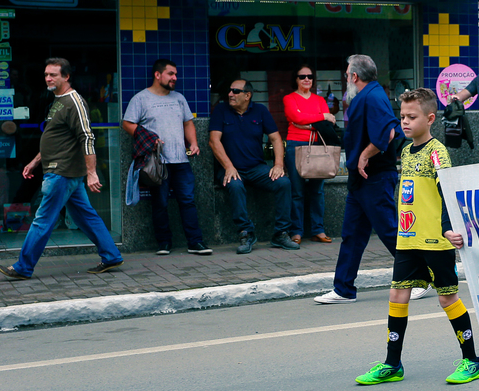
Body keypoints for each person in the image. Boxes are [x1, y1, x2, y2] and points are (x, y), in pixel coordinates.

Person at [355, 88, 479, 385]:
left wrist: (448, 227)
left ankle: (472, 361)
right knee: (397, 295)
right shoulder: (405, 150)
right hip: (408, 239)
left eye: (412, 117)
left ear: (430, 118)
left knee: (447, 297)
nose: (405, 122)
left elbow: (446, 189)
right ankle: (392, 364)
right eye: (402, 116)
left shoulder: (437, 151)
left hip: (435, 241)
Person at [0, 58, 124, 280]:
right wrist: (35, 161)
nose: (48, 78)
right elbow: (56, 139)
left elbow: (87, 137)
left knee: (42, 219)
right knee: (86, 217)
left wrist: (91, 172)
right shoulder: (57, 101)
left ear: (66, 76)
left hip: (62, 172)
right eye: (46, 74)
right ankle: (112, 256)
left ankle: (23, 267)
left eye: (53, 75)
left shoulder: (74, 101)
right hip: (63, 171)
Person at [315, 54, 400, 304]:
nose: (345, 79)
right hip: (360, 179)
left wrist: (364, 156)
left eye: (346, 74)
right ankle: (343, 289)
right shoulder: (367, 95)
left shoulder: (373, 96)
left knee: (389, 230)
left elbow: (388, 133)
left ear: (354, 76)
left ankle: (423, 276)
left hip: (375, 177)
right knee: (352, 234)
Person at [121, 58, 211, 256]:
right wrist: (148, 138)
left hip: (181, 161)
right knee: (160, 203)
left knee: (188, 201)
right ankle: (164, 243)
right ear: (157, 74)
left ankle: (195, 242)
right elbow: (127, 124)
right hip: (157, 162)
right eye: (171, 74)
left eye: (176, 74)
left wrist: (194, 143)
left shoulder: (179, 98)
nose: (175, 78)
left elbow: (188, 122)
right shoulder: (141, 98)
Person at [208, 79, 296, 255]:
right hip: (231, 168)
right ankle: (245, 233)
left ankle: (281, 233)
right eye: (230, 91)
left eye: (235, 91)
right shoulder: (221, 110)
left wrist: (278, 164)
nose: (230, 94)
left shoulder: (260, 111)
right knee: (235, 186)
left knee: (283, 183)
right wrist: (228, 166)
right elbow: (213, 141)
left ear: (247, 95)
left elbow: (276, 138)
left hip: (257, 168)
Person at [283, 63, 335, 244]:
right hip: (296, 145)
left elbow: (326, 124)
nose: (307, 79)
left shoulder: (320, 100)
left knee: (317, 191)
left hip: (318, 145)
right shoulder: (289, 98)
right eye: (302, 76)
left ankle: (318, 230)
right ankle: (296, 232)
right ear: (296, 79)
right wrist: (321, 117)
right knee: (296, 191)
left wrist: (306, 123)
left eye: (310, 76)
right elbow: (296, 118)